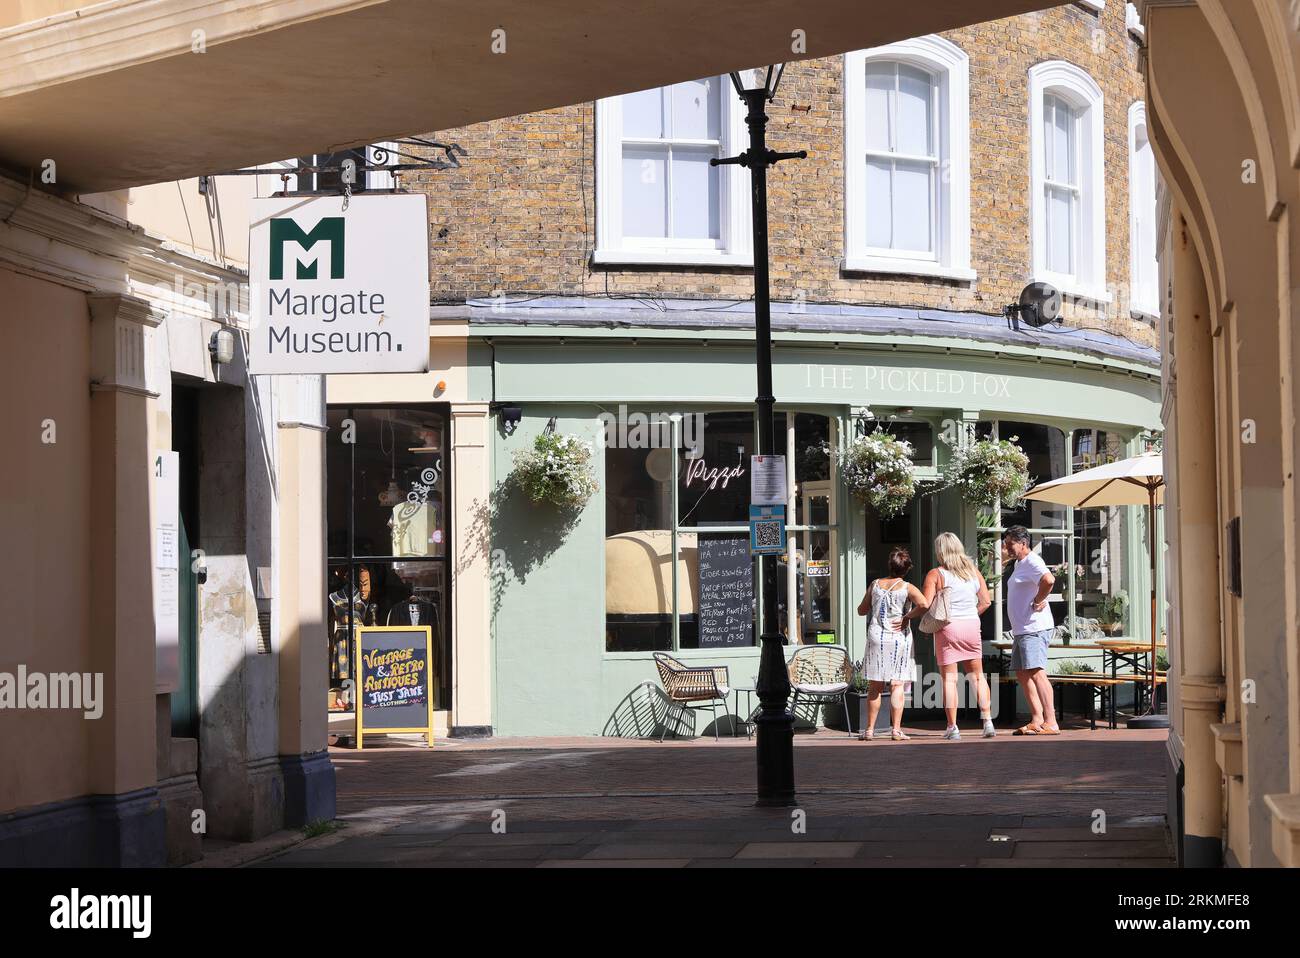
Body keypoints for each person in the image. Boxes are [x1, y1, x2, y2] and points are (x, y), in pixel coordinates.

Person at [923, 533, 995, 740]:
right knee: (978, 677)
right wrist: (971, 614)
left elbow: (927, 604)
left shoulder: (936, 574)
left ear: (940, 551)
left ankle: (952, 727)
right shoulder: (973, 572)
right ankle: (988, 721)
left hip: (949, 627)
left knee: (950, 680)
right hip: (972, 625)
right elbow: (986, 602)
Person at [856, 547, 928, 741]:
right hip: (899, 637)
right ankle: (896, 730)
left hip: (877, 637)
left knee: (875, 686)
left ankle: (869, 730)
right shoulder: (907, 587)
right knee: (897, 684)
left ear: (890, 565)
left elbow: (861, 610)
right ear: (906, 569)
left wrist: (873, 605)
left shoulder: (875, 584)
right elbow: (924, 604)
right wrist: (907, 616)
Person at [1002, 525, 1060, 735]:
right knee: (1022, 672)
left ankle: (1051, 721)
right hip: (1022, 629)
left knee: (1036, 671)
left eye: (1010, 544)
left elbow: (1049, 580)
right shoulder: (1020, 563)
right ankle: (1036, 719)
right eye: (1006, 543)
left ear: (1023, 543)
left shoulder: (1033, 561)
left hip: (1034, 627)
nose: (1006, 547)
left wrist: (1039, 599)